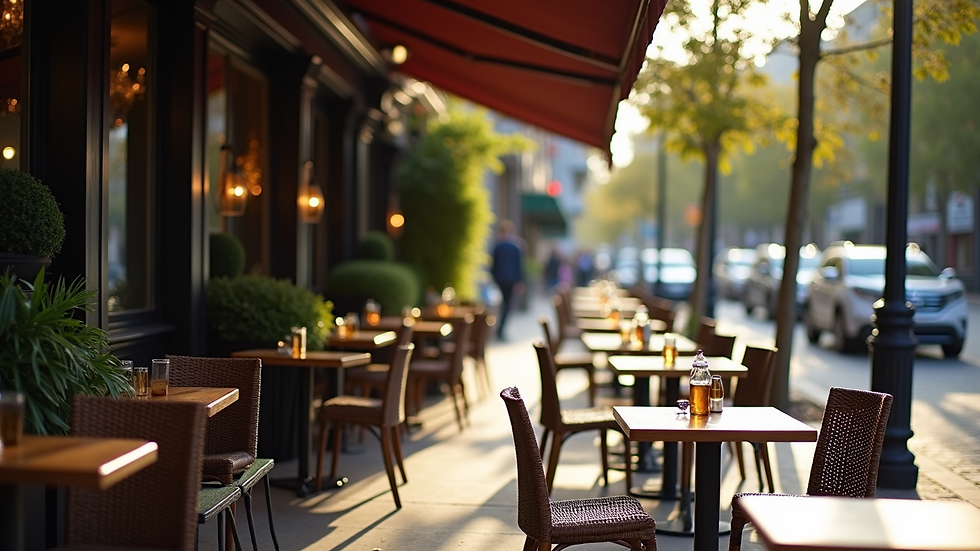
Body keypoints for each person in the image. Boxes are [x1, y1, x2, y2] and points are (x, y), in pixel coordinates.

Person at [491, 219, 525, 341]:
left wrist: (492, 279)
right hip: (510, 280)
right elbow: (519, 267)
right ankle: (500, 329)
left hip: (499, 279)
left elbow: (493, 266)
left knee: (501, 304)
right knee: (506, 305)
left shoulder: (498, 246)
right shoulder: (516, 247)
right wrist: (520, 281)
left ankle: (498, 328)